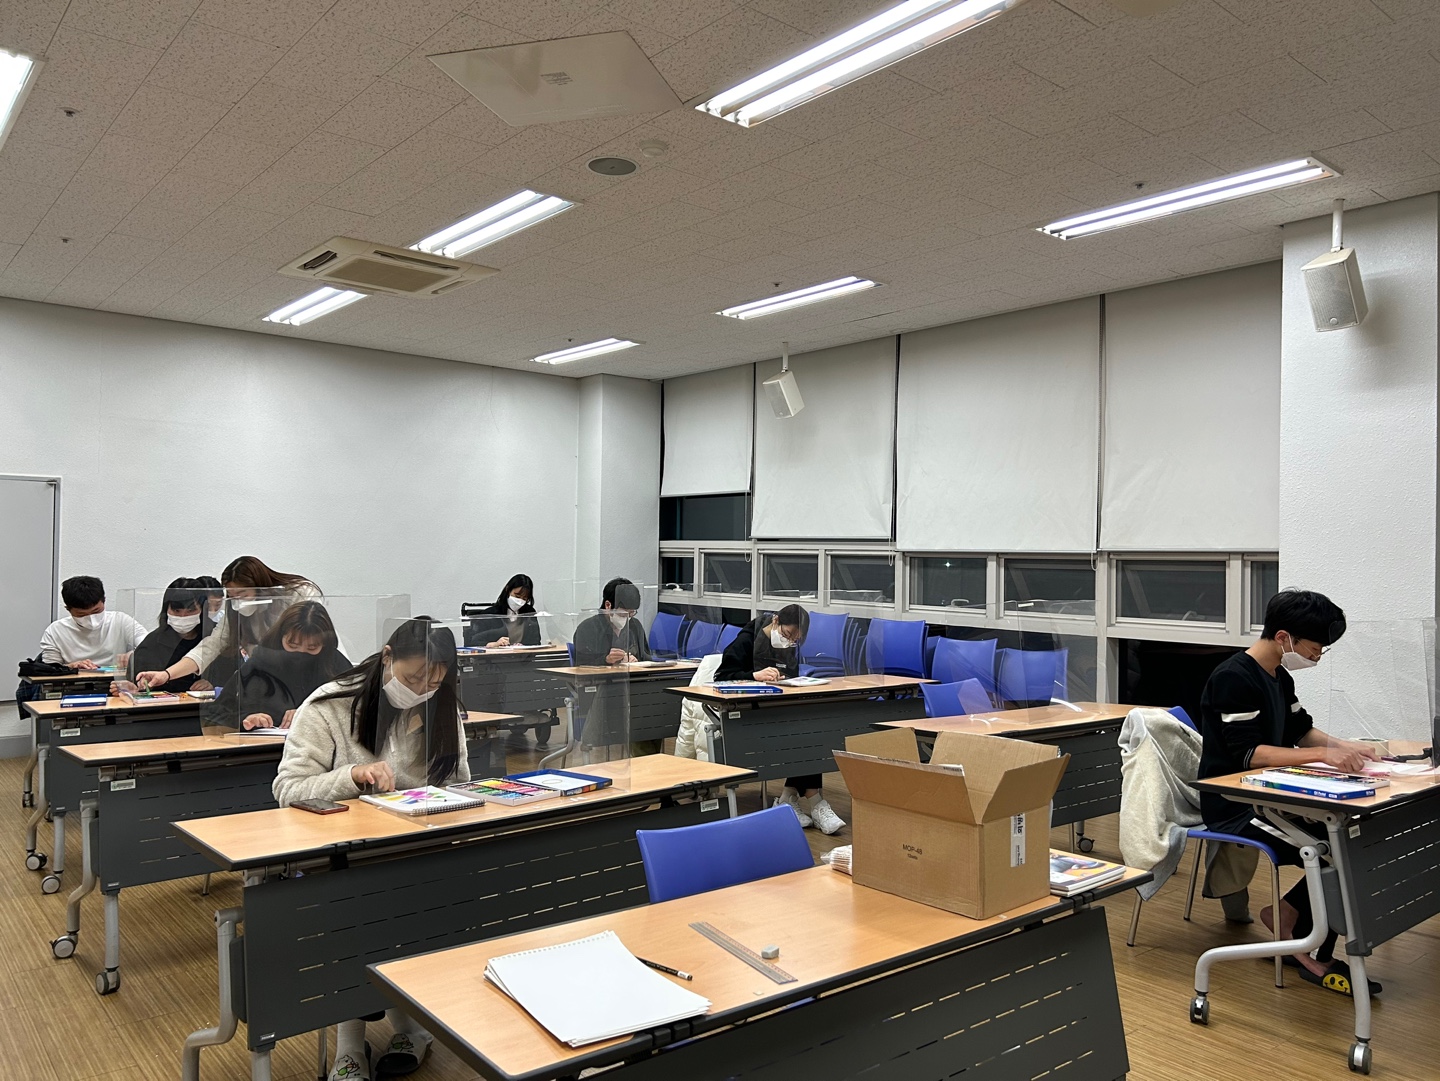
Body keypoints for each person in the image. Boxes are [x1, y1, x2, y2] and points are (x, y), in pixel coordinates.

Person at [274, 618, 467, 1079]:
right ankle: (349, 1045)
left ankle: (409, 1026)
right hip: (343, 860)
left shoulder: (441, 706)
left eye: (433, 683)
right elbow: (287, 789)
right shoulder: (329, 705)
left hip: (417, 855)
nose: (421, 690)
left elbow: (459, 783)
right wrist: (351, 777)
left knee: (415, 930)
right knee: (355, 923)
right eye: (413, 678)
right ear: (386, 657)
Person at [1198, 589, 1382, 997]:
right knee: (1330, 848)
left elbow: (1302, 730)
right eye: (1315, 649)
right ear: (1284, 638)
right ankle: (1299, 936)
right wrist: (1324, 754)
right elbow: (1249, 754)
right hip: (1236, 803)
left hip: (1271, 796)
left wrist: (1347, 747)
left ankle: (1288, 917)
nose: (1317, 656)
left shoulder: (1280, 676)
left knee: (1350, 841)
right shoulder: (1233, 678)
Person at [714, 605, 845, 835]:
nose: (789, 641)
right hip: (747, 715)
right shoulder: (746, 641)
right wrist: (754, 676)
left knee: (810, 730)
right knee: (804, 736)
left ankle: (790, 798)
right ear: (775, 621)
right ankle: (813, 801)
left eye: (796, 639)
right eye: (787, 634)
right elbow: (721, 677)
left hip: (776, 710)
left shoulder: (787, 646)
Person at [136, 556, 320, 689]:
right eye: (232, 596)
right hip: (271, 681)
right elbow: (210, 646)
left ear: (260, 587)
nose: (237, 602)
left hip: (307, 673)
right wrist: (166, 674)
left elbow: (311, 638)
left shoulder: (299, 594)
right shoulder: (235, 612)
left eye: (242, 594)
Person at [226, 601, 350, 730]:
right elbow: (219, 712)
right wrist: (246, 719)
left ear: (324, 644)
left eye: (312, 648)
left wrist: (309, 715)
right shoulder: (261, 662)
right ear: (281, 637)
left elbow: (352, 711)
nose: (301, 653)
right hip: (265, 741)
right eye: (293, 645)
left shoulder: (334, 664)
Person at [572, 578, 654, 754]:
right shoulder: (588, 628)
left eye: (632, 614)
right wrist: (606, 659)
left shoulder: (635, 627)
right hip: (601, 691)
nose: (628, 619)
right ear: (608, 606)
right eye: (624, 614)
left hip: (634, 689)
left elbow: (647, 656)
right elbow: (580, 667)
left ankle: (648, 755)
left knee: (654, 704)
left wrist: (637, 661)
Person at [39, 575, 147, 670]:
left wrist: (134, 655)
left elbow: (149, 645)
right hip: (73, 683)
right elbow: (49, 670)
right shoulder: (55, 631)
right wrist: (71, 666)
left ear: (104, 600)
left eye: (96, 611)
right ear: (68, 609)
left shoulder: (121, 620)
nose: (91, 619)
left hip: (117, 682)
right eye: (81, 614)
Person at [130, 579, 210, 693]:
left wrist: (213, 684)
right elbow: (137, 680)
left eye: (190, 610)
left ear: (203, 610)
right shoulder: (153, 643)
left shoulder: (212, 637)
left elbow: (228, 674)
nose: (183, 616)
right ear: (166, 610)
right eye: (177, 610)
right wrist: (144, 684)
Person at [465, 574, 542, 648]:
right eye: (517, 596)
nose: (520, 601)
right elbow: (472, 642)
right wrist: (495, 644)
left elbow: (536, 641)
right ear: (508, 589)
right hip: (496, 656)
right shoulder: (490, 614)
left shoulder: (529, 613)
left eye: (524, 598)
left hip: (523, 656)